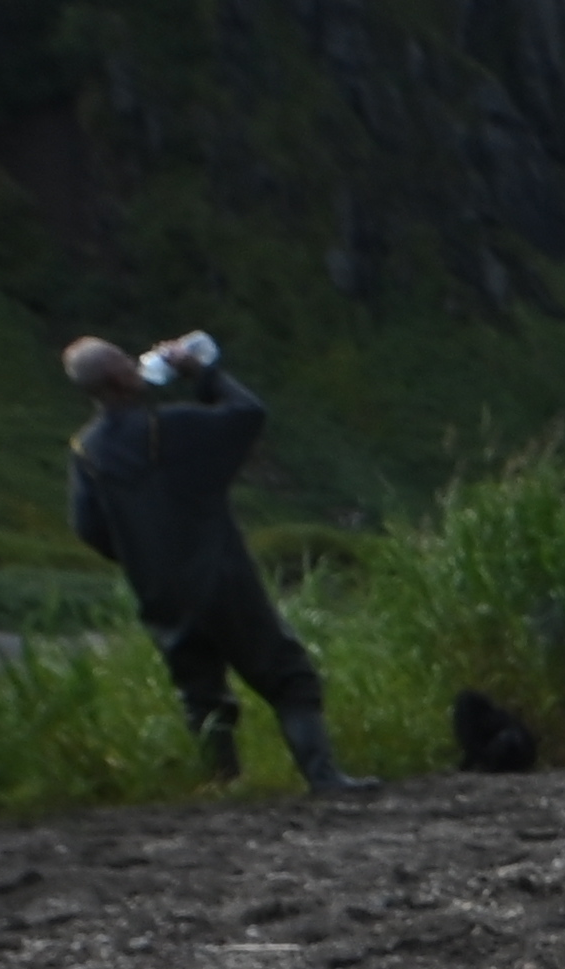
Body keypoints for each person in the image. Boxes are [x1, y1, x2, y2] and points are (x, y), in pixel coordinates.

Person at [62, 331, 362, 793]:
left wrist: (142, 553)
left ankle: (223, 785)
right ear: (120, 378)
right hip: (222, 578)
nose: (133, 360)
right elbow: (248, 413)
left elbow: (89, 528)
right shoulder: (175, 430)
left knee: (200, 691)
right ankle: (323, 776)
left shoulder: (86, 453)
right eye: (124, 359)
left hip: (159, 590)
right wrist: (200, 372)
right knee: (287, 675)